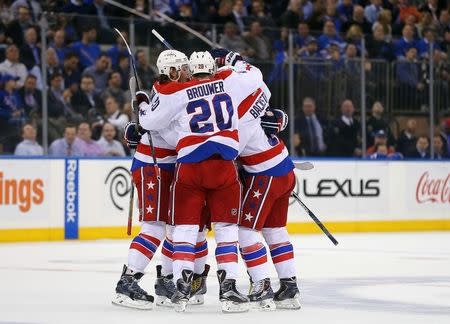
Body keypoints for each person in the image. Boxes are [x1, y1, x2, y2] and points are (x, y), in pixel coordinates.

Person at [138, 51, 263, 313]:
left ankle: (182, 287)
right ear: (214, 69)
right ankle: (228, 291)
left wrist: (142, 104)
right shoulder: (230, 80)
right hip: (223, 168)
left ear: (190, 71)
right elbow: (255, 75)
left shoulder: (179, 92)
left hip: (190, 168)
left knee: (184, 229)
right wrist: (233, 60)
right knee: (226, 231)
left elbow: (150, 121)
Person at [114, 50, 209, 310]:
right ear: (172, 71)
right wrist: (143, 119)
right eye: (184, 69)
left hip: (165, 167)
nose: (189, 73)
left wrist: (143, 108)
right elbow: (177, 137)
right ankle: (127, 282)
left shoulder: (171, 90)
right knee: (155, 228)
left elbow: (152, 120)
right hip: (152, 167)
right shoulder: (172, 93)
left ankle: (166, 280)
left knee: (172, 227)